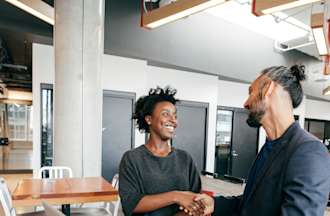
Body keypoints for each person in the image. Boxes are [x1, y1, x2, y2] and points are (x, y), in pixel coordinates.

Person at [194, 65, 330, 216]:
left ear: (268, 88)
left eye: (251, 92)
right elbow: (251, 204)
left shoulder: (308, 151)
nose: (245, 103)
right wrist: (215, 203)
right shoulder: (269, 148)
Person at [119, 86, 204, 216]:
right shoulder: (132, 158)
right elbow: (131, 204)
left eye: (175, 115)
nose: (173, 120)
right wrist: (175, 196)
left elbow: (196, 202)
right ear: (149, 119)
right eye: (166, 114)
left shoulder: (185, 158)